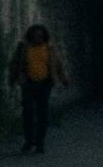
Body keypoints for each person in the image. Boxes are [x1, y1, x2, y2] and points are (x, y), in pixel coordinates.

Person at [8, 23, 69, 154]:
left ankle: (40, 143)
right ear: (30, 36)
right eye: (35, 36)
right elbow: (15, 63)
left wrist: (64, 80)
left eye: (40, 36)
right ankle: (29, 140)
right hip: (28, 83)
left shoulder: (50, 49)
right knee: (28, 113)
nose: (38, 38)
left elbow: (59, 64)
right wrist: (13, 78)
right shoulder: (24, 48)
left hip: (45, 84)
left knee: (42, 113)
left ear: (44, 36)